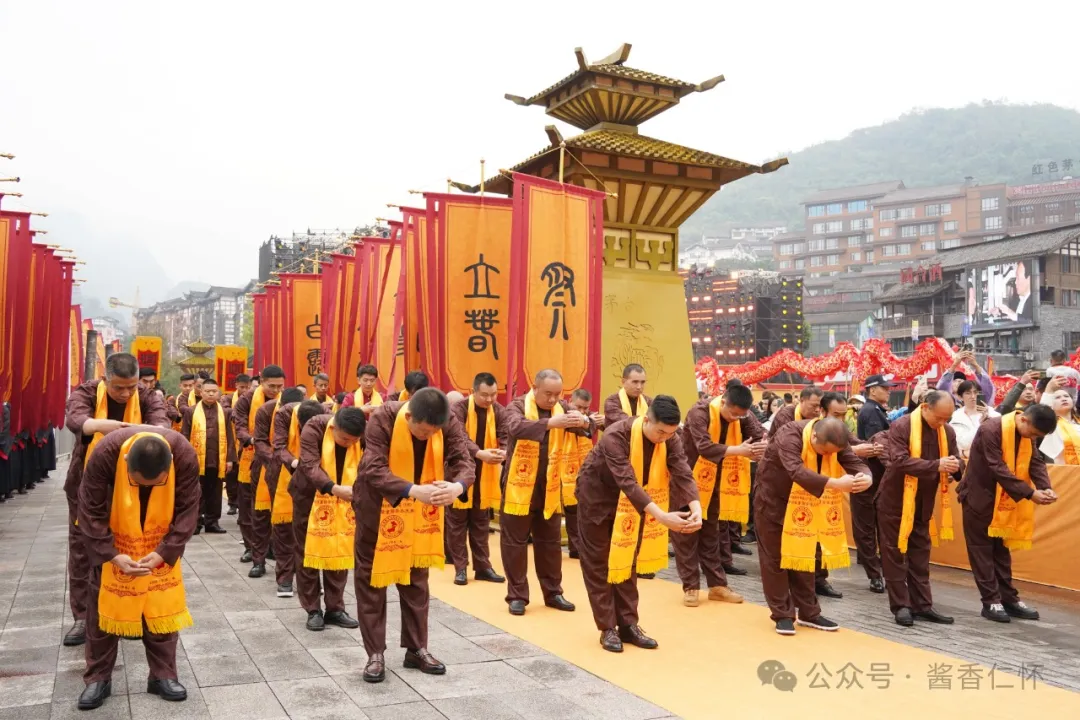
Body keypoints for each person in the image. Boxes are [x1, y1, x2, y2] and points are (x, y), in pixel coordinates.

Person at [352, 388, 475, 683]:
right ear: (409, 416)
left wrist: (457, 487)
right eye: (422, 432)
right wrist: (412, 490)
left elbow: (464, 460)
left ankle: (416, 649)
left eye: (434, 432)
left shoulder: (447, 421)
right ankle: (375, 654)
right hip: (379, 507)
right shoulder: (383, 417)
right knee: (372, 582)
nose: (428, 437)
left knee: (417, 581)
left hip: (422, 512)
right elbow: (373, 468)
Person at [76, 429, 199, 710]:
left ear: (170, 466)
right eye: (140, 483)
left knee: (161, 601)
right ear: (127, 460)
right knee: (103, 604)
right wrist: (112, 555)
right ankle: (98, 677)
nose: (147, 488)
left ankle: (162, 675)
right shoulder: (106, 453)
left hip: (159, 535)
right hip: (116, 529)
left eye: (157, 483)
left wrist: (164, 552)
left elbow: (188, 509)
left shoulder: (183, 454)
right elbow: (90, 510)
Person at [576, 396, 703, 652]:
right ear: (646, 420)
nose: (664, 438)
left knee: (628, 560)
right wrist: (662, 516)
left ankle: (629, 624)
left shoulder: (671, 438)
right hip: (598, 500)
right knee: (599, 563)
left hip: (634, 505)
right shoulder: (616, 435)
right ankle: (607, 628)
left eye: (669, 433)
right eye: (659, 431)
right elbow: (627, 482)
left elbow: (682, 471)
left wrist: (696, 506)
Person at [62, 353, 169, 648]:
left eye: (131, 388)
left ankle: (134, 612)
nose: (125, 393)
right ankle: (83, 617)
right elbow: (76, 419)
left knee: (134, 546)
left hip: (136, 486)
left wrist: (140, 430)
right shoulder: (85, 391)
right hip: (89, 486)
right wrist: (99, 426)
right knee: (84, 550)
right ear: (105, 379)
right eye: (118, 387)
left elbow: (161, 424)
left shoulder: (147, 396)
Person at [754, 417, 871, 635]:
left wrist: (866, 477)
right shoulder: (788, 435)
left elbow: (855, 463)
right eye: (824, 452)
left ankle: (810, 612)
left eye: (831, 454)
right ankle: (783, 615)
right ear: (814, 436)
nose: (827, 457)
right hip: (774, 502)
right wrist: (835, 483)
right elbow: (795, 471)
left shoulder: (835, 441)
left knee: (805, 556)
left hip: (809, 505)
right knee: (775, 559)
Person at [501, 369, 591, 616]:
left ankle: (553, 592)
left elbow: (582, 427)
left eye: (557, 394)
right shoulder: (517, 406)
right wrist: (550, 423)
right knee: (515, 542)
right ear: (535, 387)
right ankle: (517, 595)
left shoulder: (561, 407)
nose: (552, 400)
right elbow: (515, 428)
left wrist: (585, 422)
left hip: (550, 486)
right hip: (517, 488)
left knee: (550, 542)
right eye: (548, 394)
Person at [958, 404, 1057, 622]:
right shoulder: (991, 430)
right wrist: (1030, 493)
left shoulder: (1026, 433)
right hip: (980, 498)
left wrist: (1044, 486)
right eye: (1032, 434)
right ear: (1024, 420)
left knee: (1001, 552)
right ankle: (990, 602)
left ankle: (1009, 600)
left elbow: (1035, 460)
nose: (1032, 438)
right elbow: (997, 467)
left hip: (1006, 500)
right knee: (982, 551)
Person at [876, 390, 965, 627]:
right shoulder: (902, 426)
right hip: (895, 500)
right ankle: (901, 606)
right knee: (895, 553)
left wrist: (957, 465)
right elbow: (899, 461)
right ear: (925, 407)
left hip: (923, 501)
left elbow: (955, 460)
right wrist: (937, 465)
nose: (942, 423)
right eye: (939, 417)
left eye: (947, 418)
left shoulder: (947, 431)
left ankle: (923, 605)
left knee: (920, 553)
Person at [673, 383, 765, 607]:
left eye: (740, 416)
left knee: (711, 534)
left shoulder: (743, 414)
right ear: (723, 401)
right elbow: (704, 446)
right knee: (687, 533)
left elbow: (759, 434)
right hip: (688, 479)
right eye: (733, 414)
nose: (736, 419)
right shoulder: (699, 412)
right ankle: (691, 587)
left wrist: (761, 448)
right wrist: (739, 451)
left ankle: (717, 586)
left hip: (716, 481)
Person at [292, 406, 365, 632]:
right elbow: (309, 465)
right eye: (344, 439)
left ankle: (335, 608)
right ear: (334, 428)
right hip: (310, 495)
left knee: (340, 547)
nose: (349, 444)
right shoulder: (315, 427)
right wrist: (332, 488)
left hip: (347, 496)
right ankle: (313, 609)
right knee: (308, 551)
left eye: (355, 441)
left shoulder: (362, 435)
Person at [447, 373, 508, 586]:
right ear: (473, 392)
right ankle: (460, 568)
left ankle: (483, 567)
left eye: (493, 395)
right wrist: (479, 453)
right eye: (484, 395)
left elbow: (507, 434)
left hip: (486, 475)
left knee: (481, 523)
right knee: (457, 523)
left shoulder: (499, 410)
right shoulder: (459, 409)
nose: (490, 400)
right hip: (459, 472)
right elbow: (458, 437)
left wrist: (504, 452)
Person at [233, 366, 286, 564]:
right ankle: (251, 547)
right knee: (249, 509)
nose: (275, 390)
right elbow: (240, 427)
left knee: (276, 506)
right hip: (251, 458)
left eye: (279, 386)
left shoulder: (286, 400)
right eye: (271, 386)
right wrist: (256, 440)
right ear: (261, 382)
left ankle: (270, 546)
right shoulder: (246, 400)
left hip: (279, 461)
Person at [253, 387, 306, 583]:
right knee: (262, 518)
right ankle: (258, 560)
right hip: (269, 468)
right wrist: (278, 460)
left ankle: (295, 570)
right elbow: (259, 440)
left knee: (298, 524)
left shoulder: (308, 412)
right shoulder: (266, 411)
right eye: (271, 385)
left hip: (302, 471)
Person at [179, 378, 236, 535]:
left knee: (215, 492)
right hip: (196, 459)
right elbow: (184, 435)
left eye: (214, 391)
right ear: (200, 392)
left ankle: (212, 522)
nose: (211, 394)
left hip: (218, 458)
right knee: (195, 492)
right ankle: (195, 523)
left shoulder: (224, 412)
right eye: (207, 391)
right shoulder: (190, 411)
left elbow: (230, 436)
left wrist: (230, 459)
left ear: (219, 393)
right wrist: (184, 458)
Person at [270, 391, 311, 598]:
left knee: (310, 533)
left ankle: (310, 581)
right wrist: (295, 463)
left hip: (314, 478)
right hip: (285, 474)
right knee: (284, 532)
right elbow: (279, 446)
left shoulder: (319, 415)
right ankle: (285, 579)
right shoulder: (284, 414)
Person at [563, 387, 603, 563]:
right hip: (561, 465)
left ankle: (577, 548)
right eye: (578, 407)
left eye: (586, 408)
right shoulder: (563, 413)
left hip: (582, 467)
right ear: (570, 401)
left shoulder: (591, 418)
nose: (582, 412)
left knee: (578, 509)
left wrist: (601, 421)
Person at [223, 374, 252, 515]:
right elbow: (227, 412)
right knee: (231, 475)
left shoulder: (253, 400)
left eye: (247, 387)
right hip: (231, 441)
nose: (245, 390)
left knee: (245, 475)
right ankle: (232, 503)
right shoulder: (227, 399)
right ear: (236, 386)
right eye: (242, 387)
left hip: (246, 443)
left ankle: (242, 503)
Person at [950, 380, 999, 458]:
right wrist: (980, 424)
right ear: (960, 397)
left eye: (976, 392)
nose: (973, 396)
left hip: (991, 459)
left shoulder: (993, 414)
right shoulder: (955, 417)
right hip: (968, 464)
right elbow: (963, 444)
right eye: (968, 393)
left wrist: (989, 420)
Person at [1033, 388, 1080, 464]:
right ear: (1050, 404)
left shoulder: (1078, 422)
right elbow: (1040, 413)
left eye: (1066, 396)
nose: (1063, 399)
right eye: (1057, 397)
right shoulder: (1050, 425)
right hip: (1060, 471)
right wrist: (1050, 387)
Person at [603, 364, 652, 428]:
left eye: (642, 382)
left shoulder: (649, 402)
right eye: (635, 382)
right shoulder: (612, 401)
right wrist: (647, 421)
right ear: (623, 381)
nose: (639, 387)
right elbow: (626, 422)